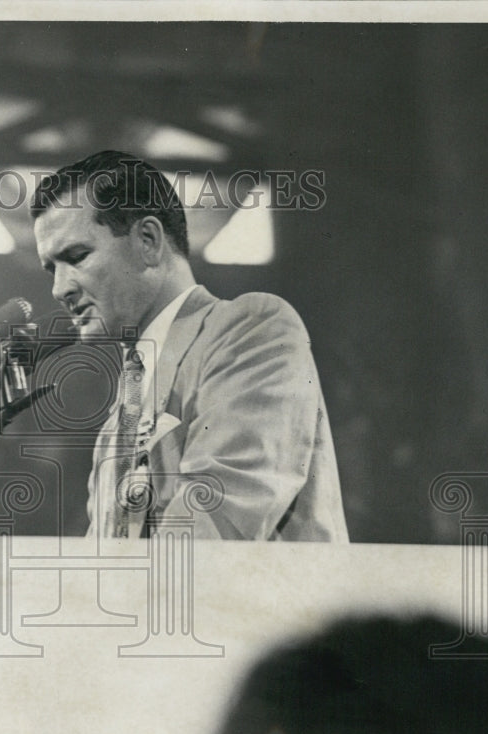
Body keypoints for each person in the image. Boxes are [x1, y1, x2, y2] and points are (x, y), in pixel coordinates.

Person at [31, 151, 348, 542]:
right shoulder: (123, 407)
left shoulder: (252, 330)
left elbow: (217, 522)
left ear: (148, 240)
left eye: (76, 257)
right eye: (51, 268)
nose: (59, 288)